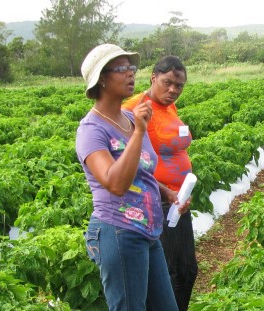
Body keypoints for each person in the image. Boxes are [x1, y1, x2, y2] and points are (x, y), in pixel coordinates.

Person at [76, 43, 178, 311]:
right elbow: (116, 183)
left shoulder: (129, 118)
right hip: (118, 231)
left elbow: (140, 169)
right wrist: (138, 134)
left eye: (131, 67)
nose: (131, 74)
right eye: (121, 69)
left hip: (148, 231)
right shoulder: (91, 130)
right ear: (102, 80)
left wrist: (166, 192)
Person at [121, 55, 196, 311]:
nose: (173, 90)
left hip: (177, 200)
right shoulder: (135, 108)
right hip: (156, 202)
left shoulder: (169, 107)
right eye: (167, 83)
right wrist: (165, 192)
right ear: (153, 78)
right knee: (172, 273)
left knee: (186, 271)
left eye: (179, 86)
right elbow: (124, 158)